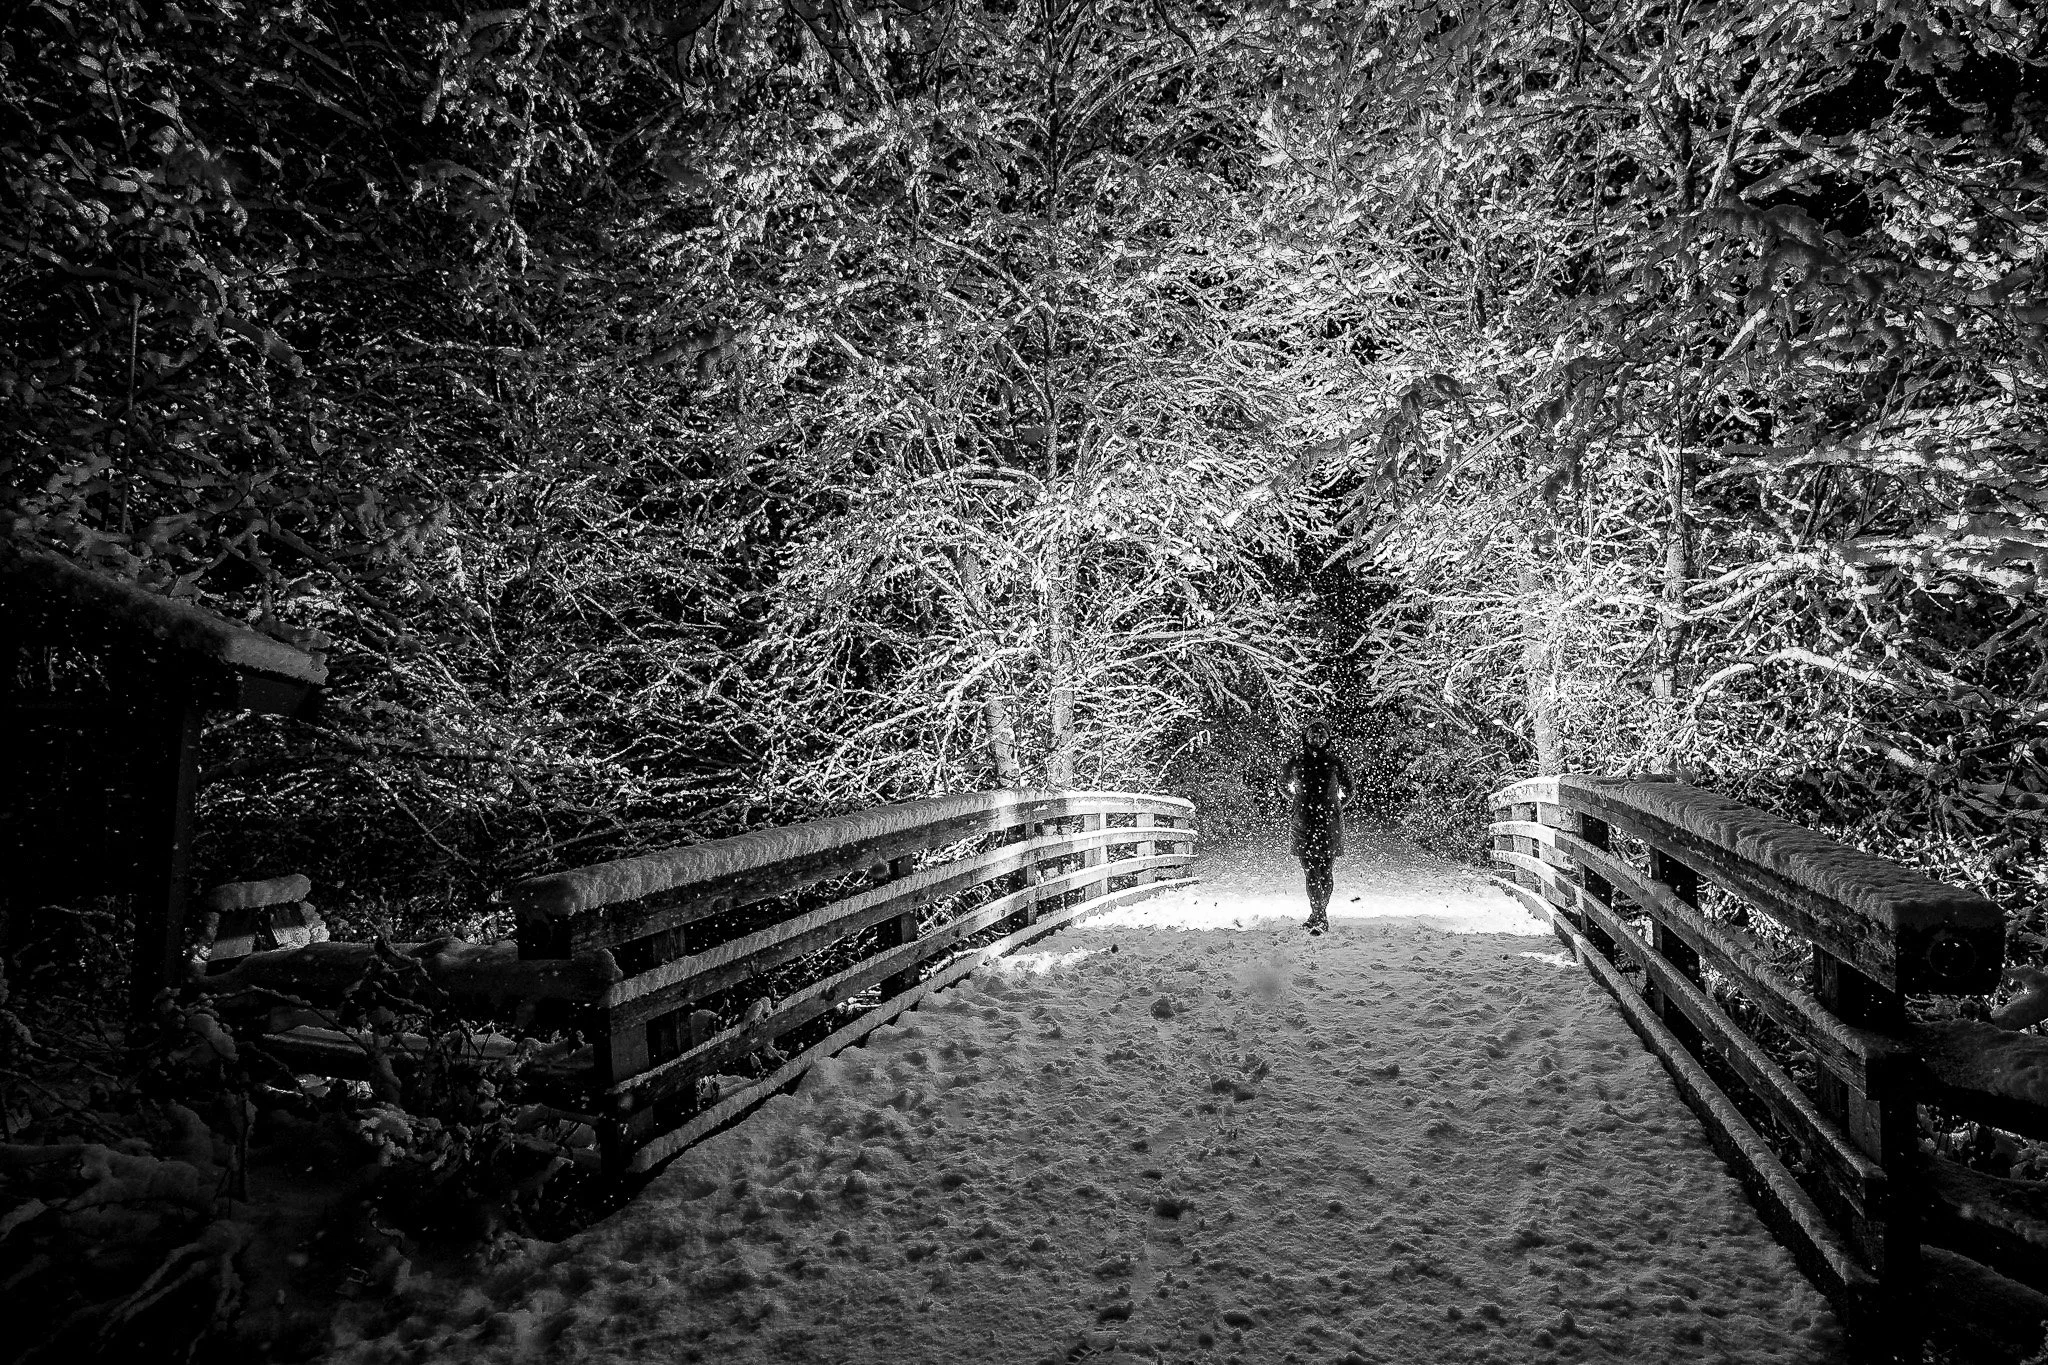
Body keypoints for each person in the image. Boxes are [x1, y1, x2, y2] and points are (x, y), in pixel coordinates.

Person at [1281, 721, 1352, 933]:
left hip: (1329, 823)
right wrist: (1298, 801)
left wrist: (1335, 805)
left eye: (1321, 736)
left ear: (1328, 738)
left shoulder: (1335, 762)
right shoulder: (1296, 761)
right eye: (1313, 735)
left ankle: (1319, 914)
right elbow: (1282, 785)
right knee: (1310, 870)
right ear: (1306, 737)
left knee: (1325, 870)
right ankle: (1319, 914)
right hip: (1303, 822)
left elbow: (1349, 789)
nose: (1317, 739)